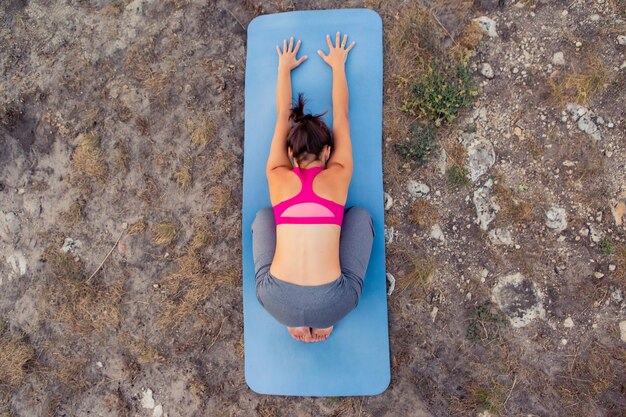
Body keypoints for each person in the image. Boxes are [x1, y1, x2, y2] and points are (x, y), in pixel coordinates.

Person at [251, 32, 374, 343]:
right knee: (360, 215)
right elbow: (342, 116)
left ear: (291, 154)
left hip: (278, 305)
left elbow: (283, 115)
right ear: (328, 153)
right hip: (329, 303)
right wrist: (337, 65)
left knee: (264, 217)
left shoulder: (277, 174)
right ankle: (316, 318)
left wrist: (284, 68)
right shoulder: (340, 173)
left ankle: (296, 319)